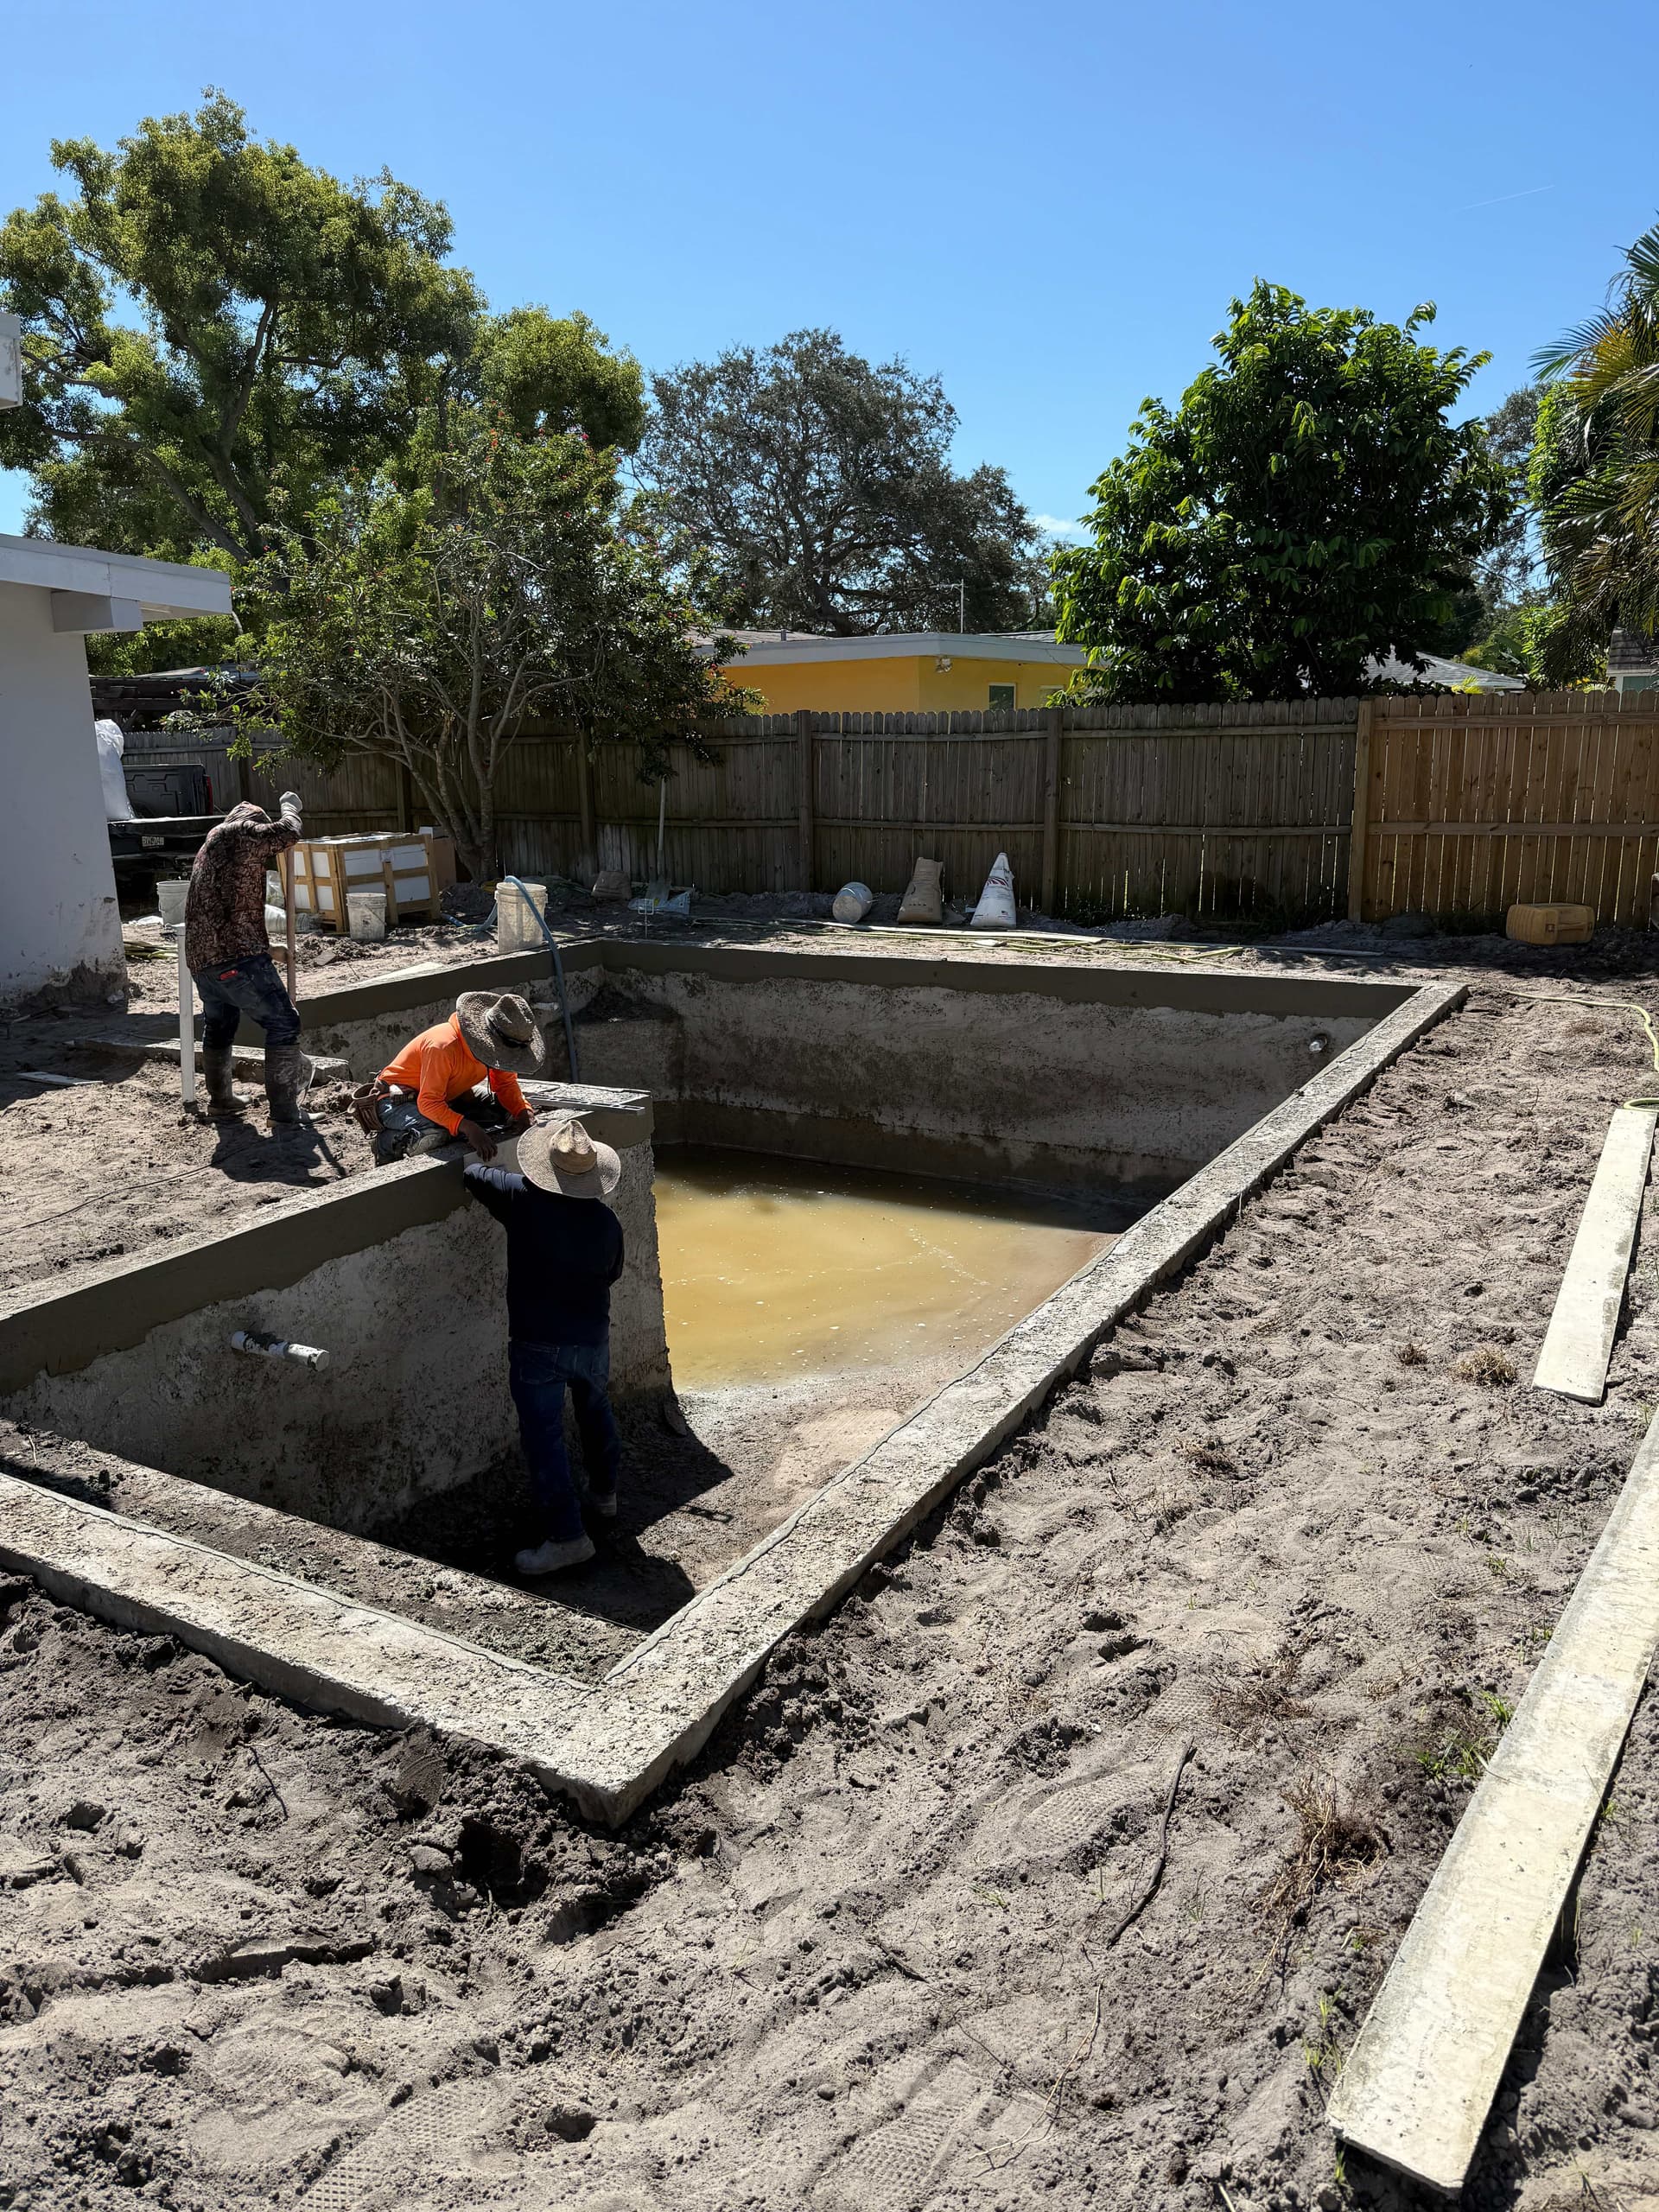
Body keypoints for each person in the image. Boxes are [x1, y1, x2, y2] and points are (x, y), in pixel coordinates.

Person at [465, 1114, 626, 1576]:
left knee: (544, 1438)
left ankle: (567, 1537)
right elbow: (612, 1273)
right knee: (597, 1412)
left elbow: (474, 1173)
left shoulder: (522, 1200)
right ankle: (604, 1496)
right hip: (592, 1338)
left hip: (539, 1342)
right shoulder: (607, 1223)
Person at [185, 792, 307, 1124]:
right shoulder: (238, 832)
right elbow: (288, 832)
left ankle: (222, 1101)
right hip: (236, 959)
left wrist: (270, 952)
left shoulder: (213, 847)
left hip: (204, 961)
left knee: (221, 1025)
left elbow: (223, 913)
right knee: (284, 1022)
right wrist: (290, 806)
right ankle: (284, 1114)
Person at [365, 994, 545, 1164]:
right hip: (395, 1101)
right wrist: (468, 1127)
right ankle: (386, 1143)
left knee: (505, 1114)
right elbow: (429, 1102)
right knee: (435, 1135)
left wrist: (522, 1111)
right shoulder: (443, 1046)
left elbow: (505, 1083)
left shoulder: (499, 1050)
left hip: (448, 1095)